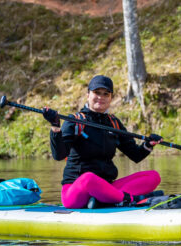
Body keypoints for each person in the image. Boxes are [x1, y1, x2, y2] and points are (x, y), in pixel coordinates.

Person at [43, 75, 162, 209]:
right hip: (76, 191)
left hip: (107, 187)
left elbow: (136, 154)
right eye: (97, 92)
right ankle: (128, 199)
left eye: (106, 94)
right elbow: (58, 155)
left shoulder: (113, 123)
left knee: (153, 176)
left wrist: (148, 145)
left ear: (111, 98)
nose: (101, 97)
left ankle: (105, 200)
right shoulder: (75, 121)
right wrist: (55, 127)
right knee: (89, 178)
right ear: (88, 95)